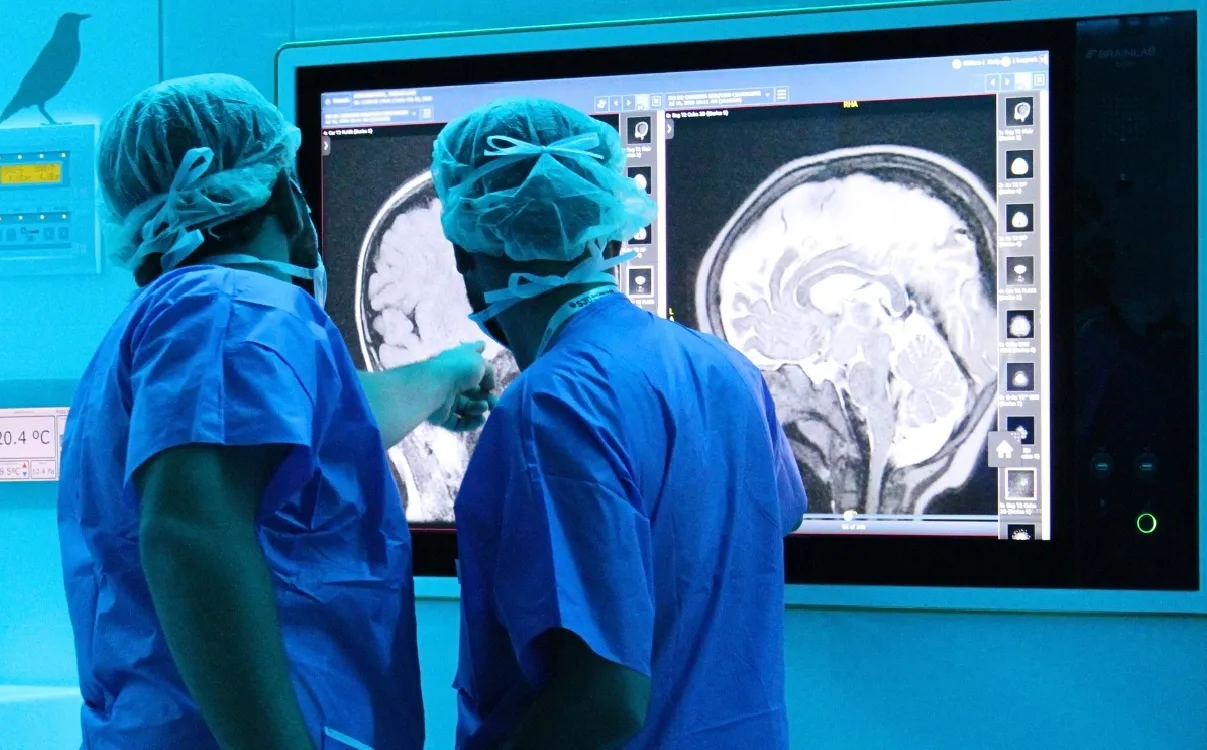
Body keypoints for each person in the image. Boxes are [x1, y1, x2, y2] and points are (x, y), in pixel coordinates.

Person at [56, 74, 494, 750]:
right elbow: (188, 531)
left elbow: (314, 434)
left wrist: (446, 373)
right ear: (284, 196)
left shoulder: (177, 322)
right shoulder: (233, 310)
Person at [433, 97, 810, 749]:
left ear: (465, 251)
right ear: (610, 234)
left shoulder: (550, 405)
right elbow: (773, 515)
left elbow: (601, 702)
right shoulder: (727, 369)